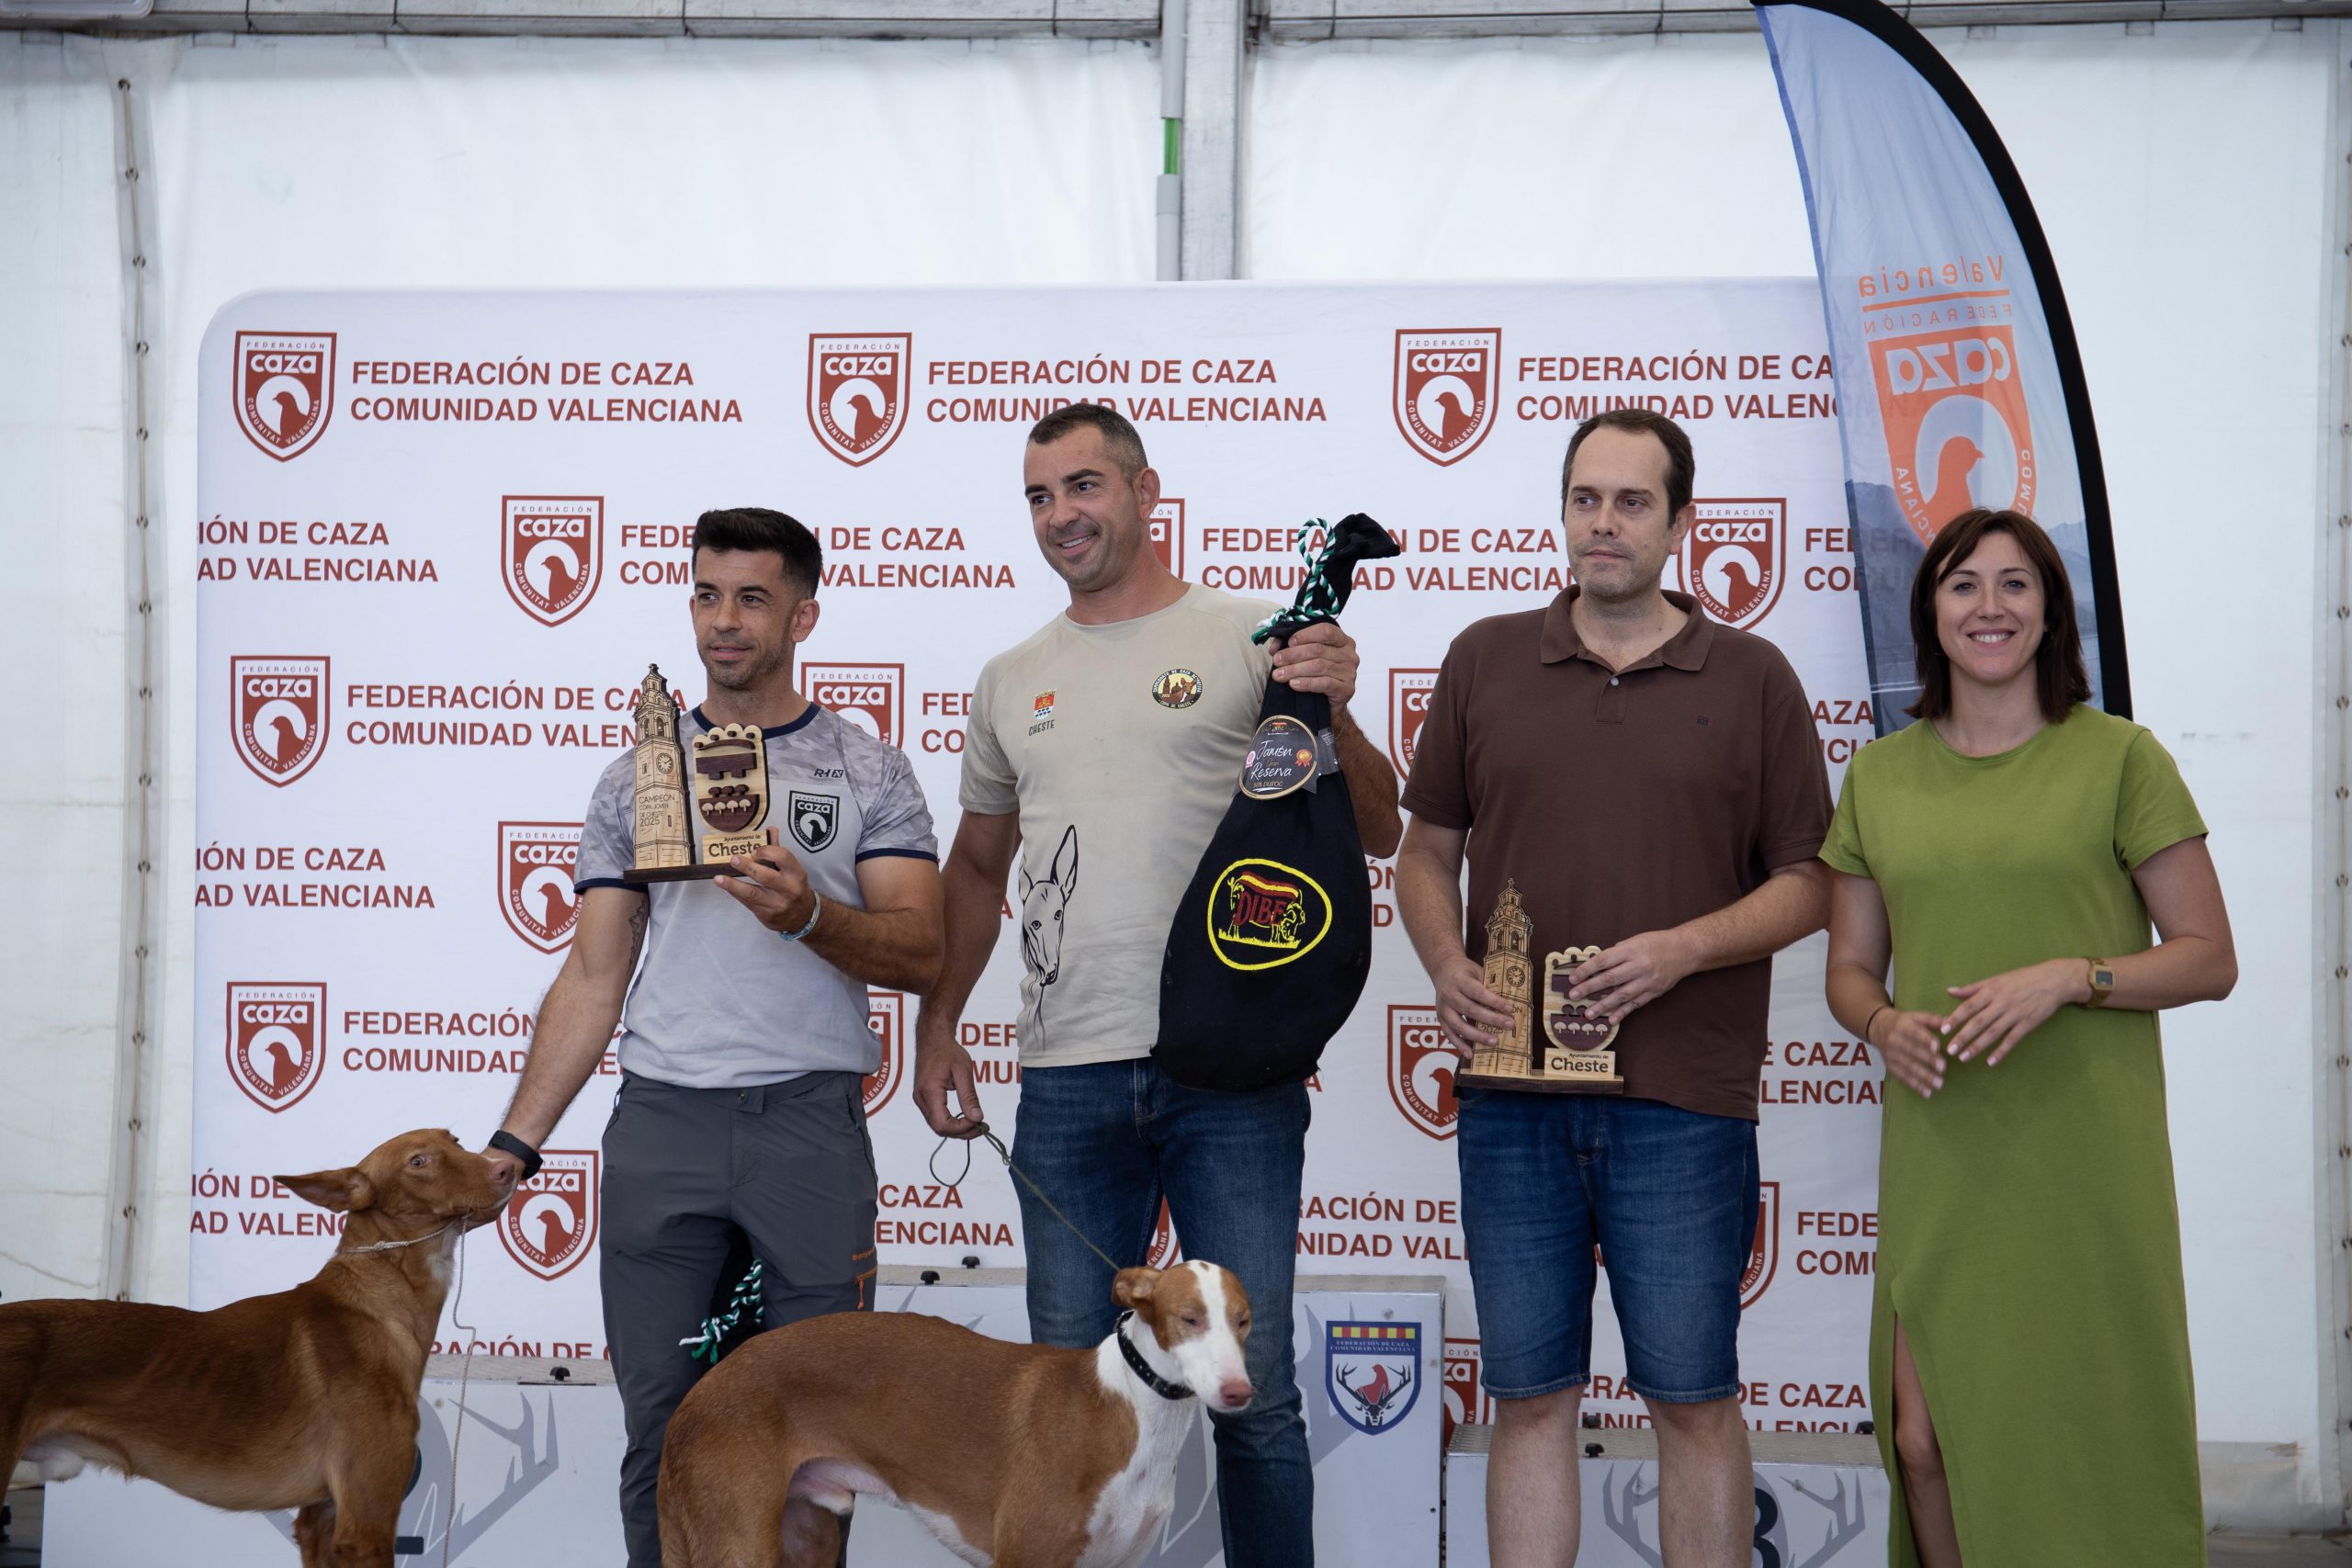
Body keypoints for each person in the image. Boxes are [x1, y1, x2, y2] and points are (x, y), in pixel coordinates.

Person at [912, 402, 1402, 1565]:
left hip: (1230, 1075)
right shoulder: (1010, 677)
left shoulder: (1249, 638)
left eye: (1083, 485)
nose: (1060, 515)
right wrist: (937, 1027)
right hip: (1065, 1074)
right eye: (1038, 496)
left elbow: (1380, 827)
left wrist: (1335, 707)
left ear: (1143, 491)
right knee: (1059, 1399)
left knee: (1254, 1399)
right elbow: (975, 871)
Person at [1395, 407, 1831, 1568]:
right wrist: (1443, 963)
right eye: (1584, 498)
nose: (1603, 522)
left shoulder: (1753, 676)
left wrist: (1680, 950)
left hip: (1681, 1103)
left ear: (1681, 523)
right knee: (1529, 1399)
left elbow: (1811, 884)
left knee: (1690, 1401)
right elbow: (1424, 852)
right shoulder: (1485, 657)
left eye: (1631, 502)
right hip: (1509, 1100)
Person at [481, 507, 944, 1567]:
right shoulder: (636, 776)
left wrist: (809, 914)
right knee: (668, 1434)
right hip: (665, 1126)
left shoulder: (866, 768)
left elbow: (922, 951)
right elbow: (594, 975)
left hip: (807, 1129)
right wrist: (515, 1143)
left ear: (802, 615)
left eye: (751, 598)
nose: (723, 620)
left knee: (822, 1449)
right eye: (705, 594)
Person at [1819, 508, 2235, 1567]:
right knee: (1921, 1442)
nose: (1989, 606)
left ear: (2051, 612)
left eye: (2015, 584)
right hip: (1942, 1145)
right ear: (1929, 613)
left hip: (2083, 1154)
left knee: (2083, 1433)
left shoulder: (2121, 759)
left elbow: (2208, 958)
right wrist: (1881, 1023)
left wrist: (2073, 977)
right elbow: (1849, 970)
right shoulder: (1878, 777)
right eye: (1963, 584)